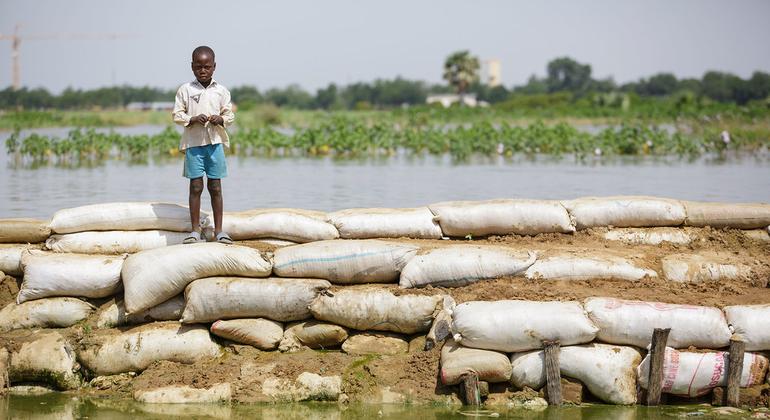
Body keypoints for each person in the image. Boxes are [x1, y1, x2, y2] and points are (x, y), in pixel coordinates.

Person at [172, 45, 235, 244]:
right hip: (194, 145)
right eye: (198, 66)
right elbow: (177, 114)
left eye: (207, 67)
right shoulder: (186, 90)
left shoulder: (221, 91)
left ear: (214, 67)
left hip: (215, 144)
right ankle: (194, 231)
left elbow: (230, 114)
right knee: (196, 186)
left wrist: (221, 119)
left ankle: (219, 231)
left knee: (215, 186)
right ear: (192, 67)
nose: (203, 70)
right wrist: (191, 119)